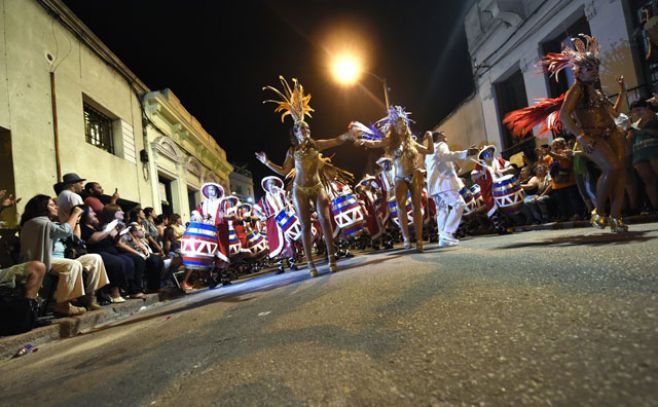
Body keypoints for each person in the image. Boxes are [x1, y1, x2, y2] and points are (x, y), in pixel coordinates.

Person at [505, 35, 627, 231]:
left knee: (619, 172)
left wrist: (622, 91)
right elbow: (564, 116)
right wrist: (581, 136)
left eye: (595, 68)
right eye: (589, 68)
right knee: (612, 168)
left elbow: (614, 112)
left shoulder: (596, 92)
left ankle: (616, 217)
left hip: (612, 133)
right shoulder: (576, 89)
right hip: (592, 137)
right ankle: (599, 212)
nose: (594, 72)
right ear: (578, 71)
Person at [257, 76, 355, 276]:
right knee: (305, 225)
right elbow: (285, 171)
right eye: (302, 129)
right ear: (296, 132)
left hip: (318, 187)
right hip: (299, 190)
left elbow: (336, 139)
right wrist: (267, 162)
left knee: (325, 220)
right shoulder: (292, 151)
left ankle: (331, 257)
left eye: (307, 128)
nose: (306, 131)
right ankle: (310, 264)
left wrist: (349, 135)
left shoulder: (316, 145)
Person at [354, 106, 434, 251]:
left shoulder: (412, 143)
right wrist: (363, 141)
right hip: (400, 177)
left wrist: (429, 138)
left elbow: (429, 151)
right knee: (401, 207)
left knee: (417, 207)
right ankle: (406, 239)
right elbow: (376, 143)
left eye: (403, 122)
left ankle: (419, 239)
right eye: (398, 122)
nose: (402, 124)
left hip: (414, 175)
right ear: (394, 125)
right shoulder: (391, 141)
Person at [20, 195, 109, 315]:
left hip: (60, 259)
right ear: (41, 208)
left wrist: (76, 221)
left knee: (94, 259)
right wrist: (75, 213)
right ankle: (63, 304)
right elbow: (65, 231)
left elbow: (74, 237)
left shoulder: (48, 223)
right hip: (45, 260)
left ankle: (89, 297)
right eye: (51, 205)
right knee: (72, 265)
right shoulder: (37, 223)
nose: (56, 207)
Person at [425, 131, 478, 247]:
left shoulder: (429, 152)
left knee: (442, 210)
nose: (446, 136)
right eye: (444, 134)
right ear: (439, 137)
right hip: (443, 183)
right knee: (459, 204)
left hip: (433, 186)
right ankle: (447, 234)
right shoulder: (441, 145)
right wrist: (466, 152)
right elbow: (446, 156)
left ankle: (442, 238)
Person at [79, 205, 128, 303]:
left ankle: (128, 289)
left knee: (130, 260)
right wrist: (109, 229)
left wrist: (118, 235)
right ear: (84, 214)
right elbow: (94, 239)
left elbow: (112, 240)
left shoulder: (96, 226)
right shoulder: (82, 227)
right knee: (117, 262)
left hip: (108, 251)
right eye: (91, 212)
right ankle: (115, 293)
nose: (94, 214)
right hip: (96, 252)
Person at [471, 145, 515, 234]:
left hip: (503, 188)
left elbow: (512, 168)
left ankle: (506, 226)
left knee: (505, 206)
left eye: (491, 151)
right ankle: (499, 228)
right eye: (487, 152)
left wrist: (501, 171)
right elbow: (473, 177)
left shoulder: (499, 161)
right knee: (493, 209)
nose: (490, 153)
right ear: (483, 155)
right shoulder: (479, 165)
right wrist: (481, 173)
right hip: (488, 191)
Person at [629, 99, 658, 211]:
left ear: (647, 107)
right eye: (634, 111)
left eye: (639, 110)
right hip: (639, 153)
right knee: (648, 180)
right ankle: (656, 207)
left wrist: (647, 131)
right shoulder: (635, 124)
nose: (637, 113)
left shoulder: (656, 117)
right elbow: (630, 140)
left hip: (654, 150)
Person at [545, 137, 583, 220]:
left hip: (570, 182)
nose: (555, 146)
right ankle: (566, 216)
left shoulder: (567, 151)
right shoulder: (549, 157)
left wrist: (550, 153)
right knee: (562, 202)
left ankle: (578, 215)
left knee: (574, 200)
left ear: (563, 144)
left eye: (557, 144)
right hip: (557, 184)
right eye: (553, 144)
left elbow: (562, 158)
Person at [120, 223, 164, 292]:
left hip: (144, 255)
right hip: (135, 256)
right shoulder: (127, 239)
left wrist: (146, 251)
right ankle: (146, 288)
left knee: (158, 259)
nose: (143, 231)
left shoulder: (139, 239)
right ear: (134, 232)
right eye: (140, 230)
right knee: (153, 260)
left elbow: (143, 247)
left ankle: (155, 286)